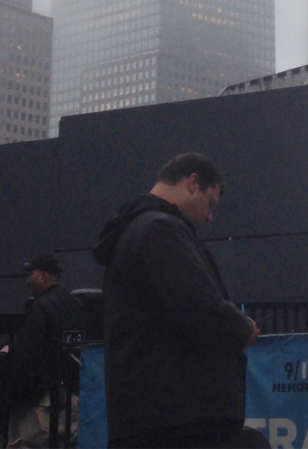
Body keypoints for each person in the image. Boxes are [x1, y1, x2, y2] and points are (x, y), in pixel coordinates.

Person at [93, 151, 266, 449]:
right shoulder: (160, 229)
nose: (210, 217)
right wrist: (242, 327)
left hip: (151, 418)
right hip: (182, 421)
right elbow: (200, 308)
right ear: (193, 182)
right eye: (210, 203)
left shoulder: (135, 232)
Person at [3, 252, 87, 449]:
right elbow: (76, 351)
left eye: (31, 274)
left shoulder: (41, 307)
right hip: (72, 399)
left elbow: (27, 355)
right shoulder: (75, 306)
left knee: (28, 443)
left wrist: (15, 391)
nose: (27, 281)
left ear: (43, 276)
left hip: (41, 401)